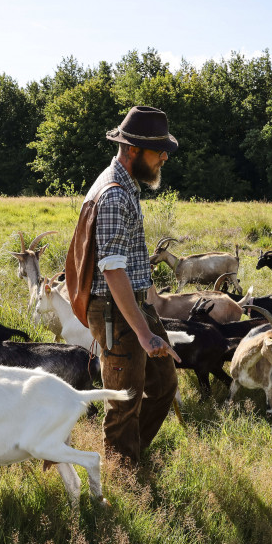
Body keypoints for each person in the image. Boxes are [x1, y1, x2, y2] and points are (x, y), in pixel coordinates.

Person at [82, 105, 181, 468]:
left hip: (133, 305)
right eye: (159, 151)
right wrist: (143, 333)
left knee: (164, 383)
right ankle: (124, 476)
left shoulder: (126, 185)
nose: (165, 158)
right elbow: (112, 271)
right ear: (134, 150)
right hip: (115, 309)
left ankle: (131, 455)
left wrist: (147, 311)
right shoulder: (114, 195)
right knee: (125, 400)